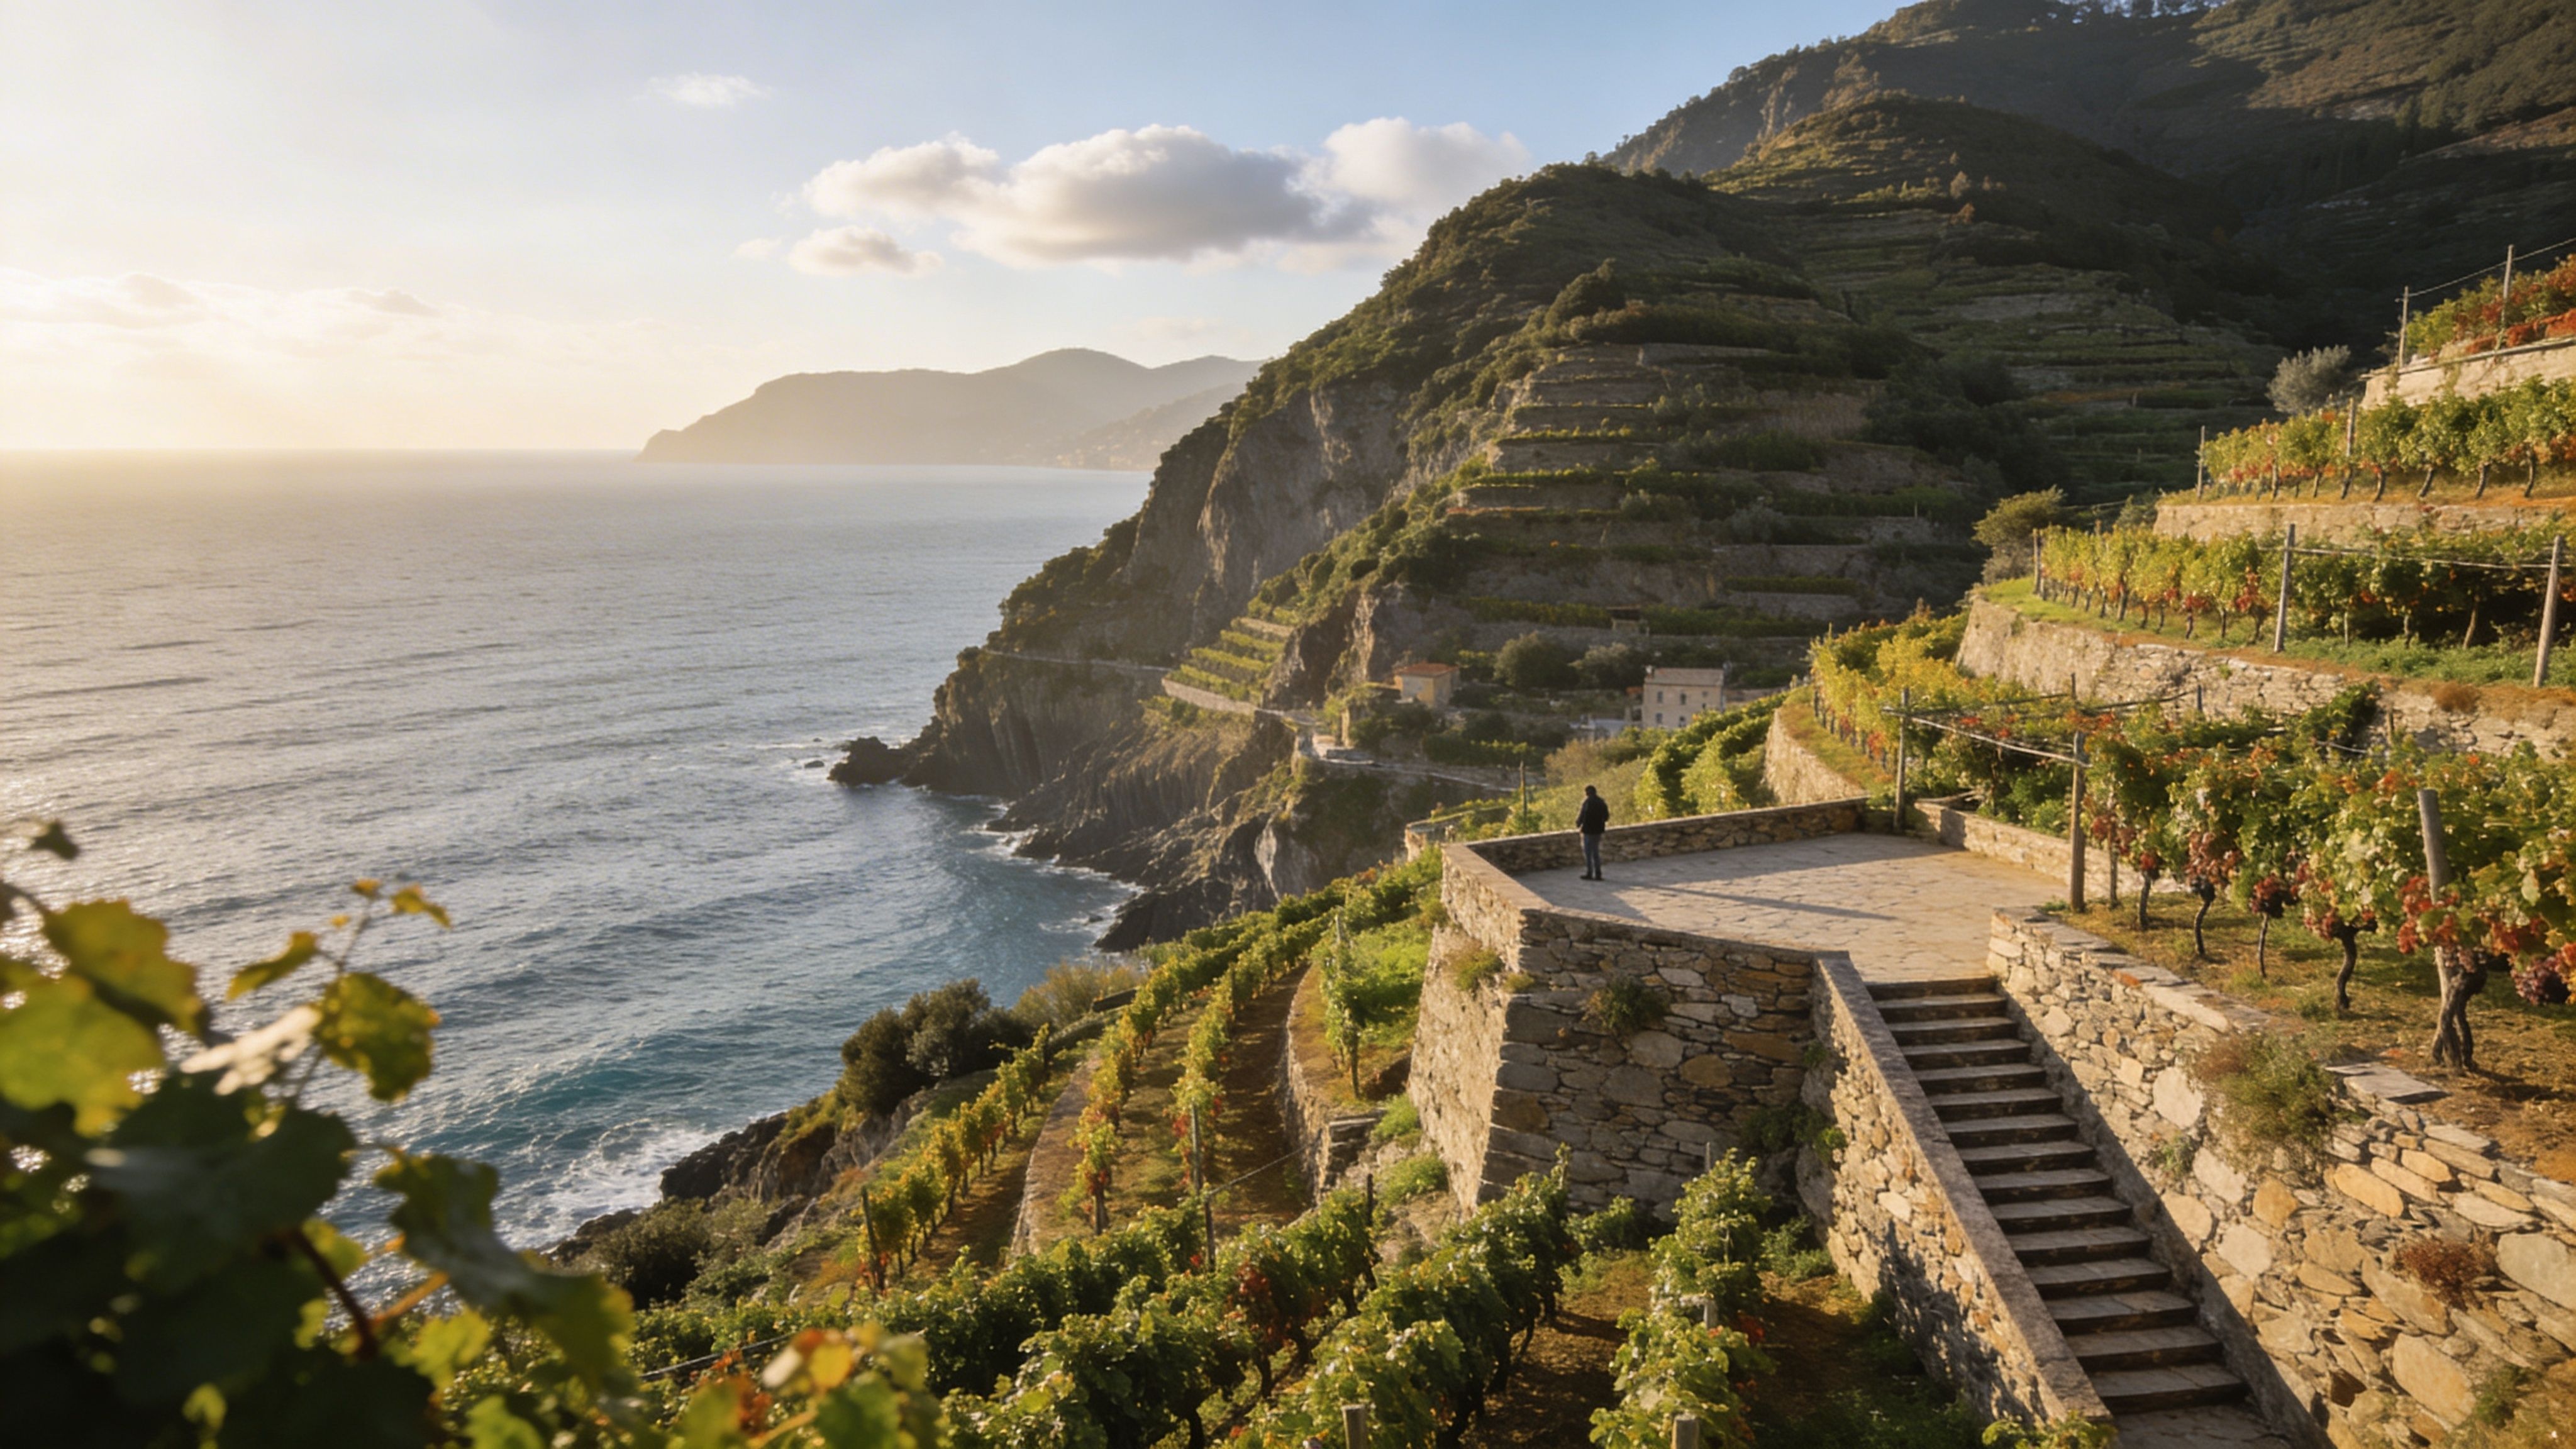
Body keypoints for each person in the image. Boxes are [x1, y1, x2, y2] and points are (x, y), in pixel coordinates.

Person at [1575, 784, 1609, 880]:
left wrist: (1578, 824)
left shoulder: (1587, 802)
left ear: (1587, 793)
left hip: (1588, 831)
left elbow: (1582, 816)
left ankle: (1589, 873)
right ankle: (1598, 874)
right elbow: (1606, 817)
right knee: (1596, 853)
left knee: (1588, 853)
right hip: (1598, 831)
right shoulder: (1601, 802)